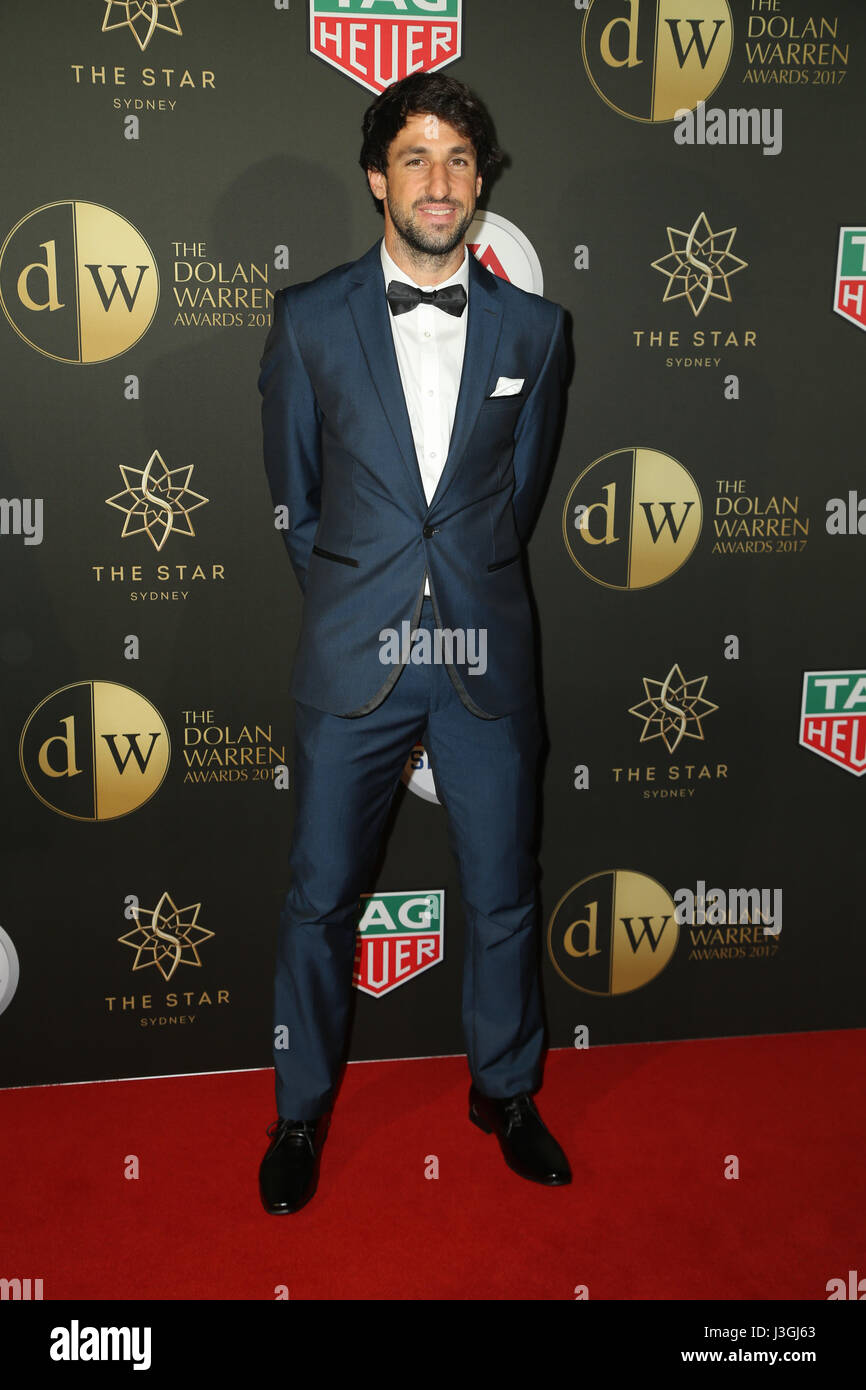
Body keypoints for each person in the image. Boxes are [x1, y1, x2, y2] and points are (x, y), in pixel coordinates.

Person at [257, 71, 570, 1215]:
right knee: (318, 898)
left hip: (486, 661)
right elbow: (295, 502)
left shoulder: (537, 330)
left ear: (478, 181)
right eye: (413, 157)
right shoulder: (308, 319)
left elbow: (514, 499)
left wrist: (458, 592)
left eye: (455, 159)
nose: (435, 180)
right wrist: (362, 598)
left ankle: (505, 1090)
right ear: (375, 177)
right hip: (354, 658)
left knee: (500, 892)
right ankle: (299, 1108)